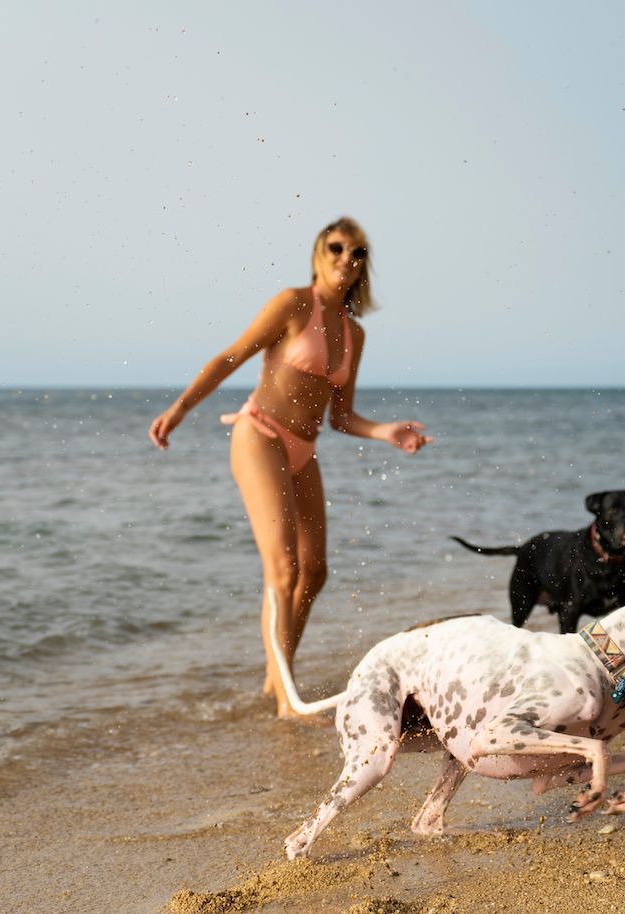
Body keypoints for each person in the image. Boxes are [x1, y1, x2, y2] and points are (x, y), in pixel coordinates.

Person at [148, 217, 432, 718]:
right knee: (282, 570)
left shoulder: (354, 334)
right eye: (337, 247)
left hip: (304, 446)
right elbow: (231, 356)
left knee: (315, 572)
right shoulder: (292, 303)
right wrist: (180, 409)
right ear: (319, 253)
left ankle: (275, 675)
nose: (347, 257)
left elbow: (341, 417)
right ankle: (286, 699)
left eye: (358, 252)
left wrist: (387, 431)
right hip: (260, 434)